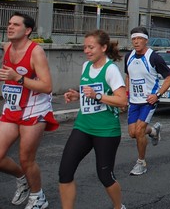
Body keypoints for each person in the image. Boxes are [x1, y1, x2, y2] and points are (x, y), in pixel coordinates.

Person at [58, 29, 128, 209]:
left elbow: (122, 101)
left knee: (105, 176)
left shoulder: (110, 69)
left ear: (103, 48)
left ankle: (118, 206)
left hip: (106, 131)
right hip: (83, 126)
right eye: (85, 47)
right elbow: (88, 93)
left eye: (91, 47)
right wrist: (77, 95)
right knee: (65, 172)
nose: (86, 51)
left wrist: (98, 96)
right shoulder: (86, 66)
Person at [0, 12, 58, 209]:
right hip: (12, 107)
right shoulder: (6, 47)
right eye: (9, 24)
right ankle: (22, 178)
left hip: (34, 109)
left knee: (26, 158)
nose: (10, 27)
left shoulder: (36, 52)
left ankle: (37, 196)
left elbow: (47, 86)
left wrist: (18, 78)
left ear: (27, 30)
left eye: (16, 25)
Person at [124, 27, 170, 176]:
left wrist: (157, 95)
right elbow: (128, 77)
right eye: (133, 39)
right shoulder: (128, 56)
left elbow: (169, 78)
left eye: (139, 39)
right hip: (134, 101)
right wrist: (126, 95)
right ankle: (153, 131)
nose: (136, 42)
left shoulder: (154, 57)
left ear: (146, 40)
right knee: (133, 133)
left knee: (139, 131)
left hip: (149, 100)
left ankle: (141, 162)